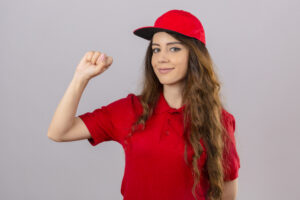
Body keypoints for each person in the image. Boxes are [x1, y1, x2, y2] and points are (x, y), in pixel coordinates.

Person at [47, 9, 240, 200]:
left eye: (174, 48)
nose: (161, 58)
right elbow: (59, 132)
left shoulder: (218, 120)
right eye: (156, 49)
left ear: (195, 56)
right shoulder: (130, 109)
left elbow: (227, 195)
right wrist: (80, 78)